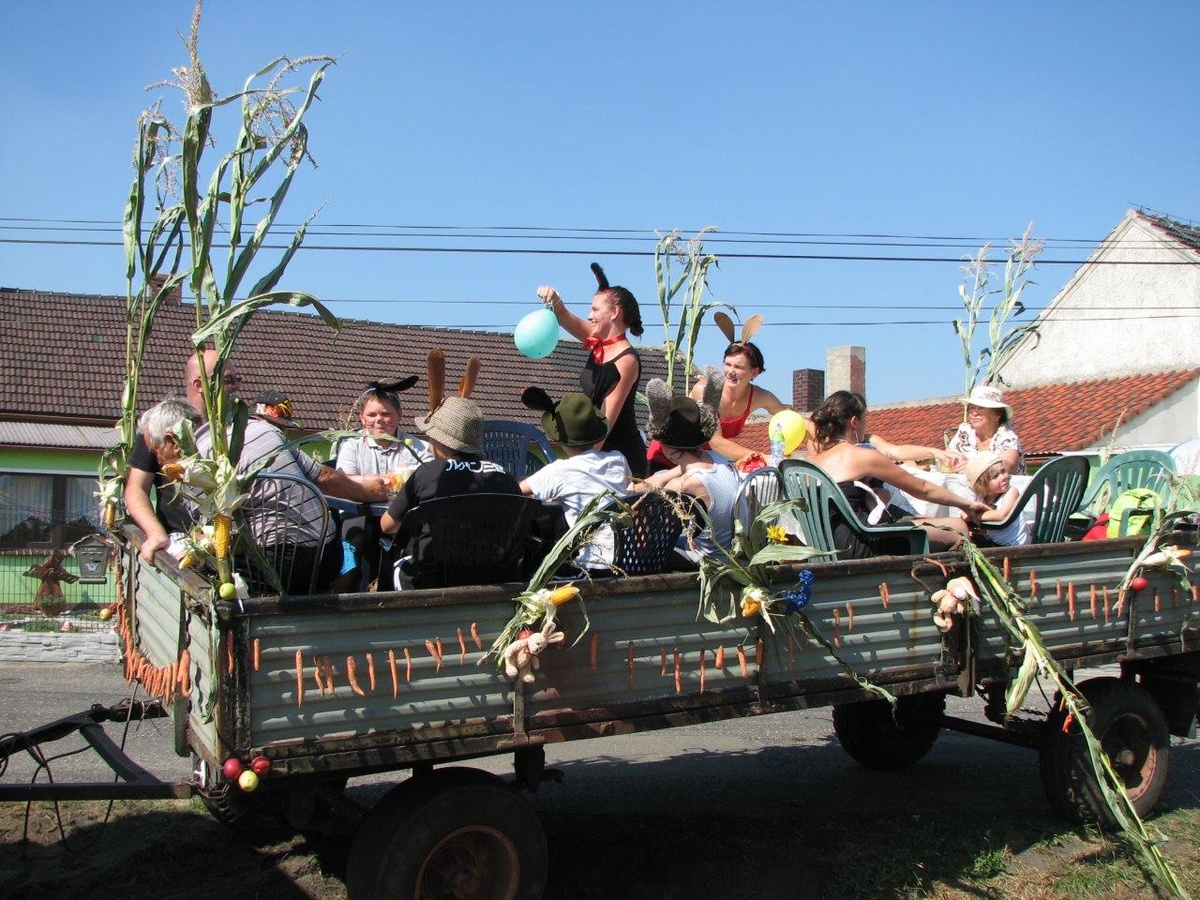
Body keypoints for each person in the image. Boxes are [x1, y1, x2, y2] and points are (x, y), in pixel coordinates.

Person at [809, 391, 989, 556]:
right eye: (865, 420)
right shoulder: (861, 455)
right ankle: (951, 582)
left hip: (824, 547)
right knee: (958, 527)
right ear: (855, 422)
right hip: (863, 544)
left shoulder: (813, 460)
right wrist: (967, 505)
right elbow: (923, 489)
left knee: (927, 521)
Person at [379, 396, 520, 584]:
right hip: (496, 577)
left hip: (431, 579)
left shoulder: (428, 473)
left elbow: (387, 525)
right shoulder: (505, 477)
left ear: (439, 440)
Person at [125, 350, 241, 562]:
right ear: (199, 384)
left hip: (230, 543)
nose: (236, 386)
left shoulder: (237, 427)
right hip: (181, 542)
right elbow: (136, 488)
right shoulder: (160, 424)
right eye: (228, 380)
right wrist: (155, 533)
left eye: (237, 379)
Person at [536, 263, 648, 477]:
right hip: (592, 452)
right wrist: (552, 296)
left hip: (617, 459)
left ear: (615, 312)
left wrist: (580, 466)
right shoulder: (598, 341)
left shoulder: (626, 361)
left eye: (595, 309)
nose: (589, 315)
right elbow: (563, 315)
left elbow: (606, 421)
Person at [518, 387, 631, 571]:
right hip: (627, 557)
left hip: (592, 565)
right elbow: (623, 485)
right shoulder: (618, 459)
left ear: (559, 439)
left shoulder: (560, 470)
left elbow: (516, 491)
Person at [638, 376, 741, 566]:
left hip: (708, 561)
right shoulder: (717, 459)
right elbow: (677, 471)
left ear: (668, 449)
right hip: (733, 551)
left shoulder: (685, 484)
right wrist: (663, 477)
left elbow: (651, 520)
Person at [129, 396, 204, 559]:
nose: (158, 461)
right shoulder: (153, 431)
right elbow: (135, 488)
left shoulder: (210, 460)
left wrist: (201, 545)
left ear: (173, 442)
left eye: (157, 451)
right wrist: (155, 533)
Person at [335, 378, 433, 481]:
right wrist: (378, 480)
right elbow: (344, 480)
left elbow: (430, 480)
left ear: (399, 415)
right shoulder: (351, 445)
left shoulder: (420, 448)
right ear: (362, 418)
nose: (379, 420)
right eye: (371, 415)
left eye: (385, 414)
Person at [947, 385, 1026, 475]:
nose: (974, 413)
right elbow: (946, 458)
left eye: (981, 408)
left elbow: (1008, 466)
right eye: (972, 407)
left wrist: (974, 466)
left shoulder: (1007, 437)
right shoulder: (964, 433)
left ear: (998, 414)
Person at [962, 453, 1031, 546]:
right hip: (993, 542)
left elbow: (1002, 515)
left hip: (1015, 545)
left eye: (1003, 471)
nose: (1003, 477)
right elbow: (965, 515)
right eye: (995, 476)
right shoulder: (980, 498)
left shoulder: (1011, 492)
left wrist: (974, 516)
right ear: (983, 485)